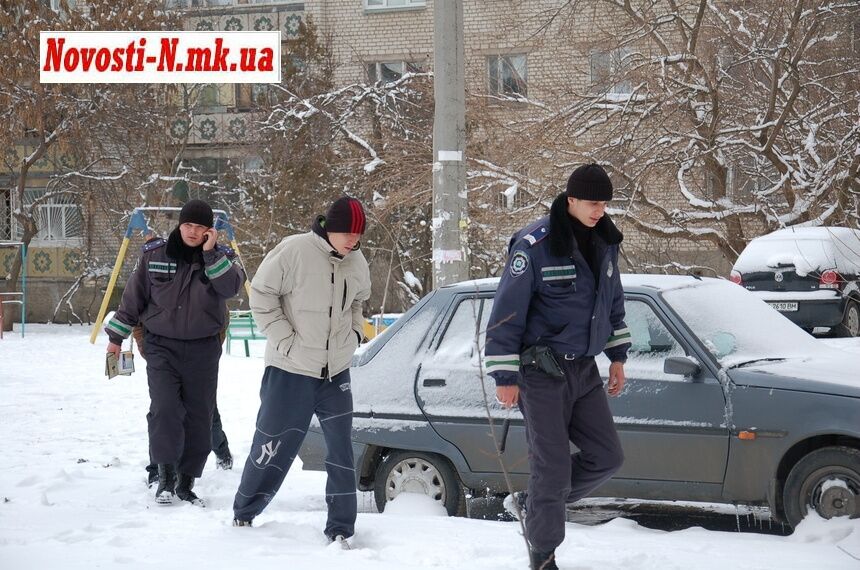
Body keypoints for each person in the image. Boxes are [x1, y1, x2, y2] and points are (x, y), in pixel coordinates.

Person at [484, 164, 631, 570]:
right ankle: (543, 555)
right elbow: (505, 314)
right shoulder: (535, 245)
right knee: (551, 470)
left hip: (584, 370)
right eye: (592, 203)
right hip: (541, 372)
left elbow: (612, 301)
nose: (599, 210)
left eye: (604, 203)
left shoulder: (605, 241)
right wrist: (505, 375)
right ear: (571, 200)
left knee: (607, 456)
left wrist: (617, 356)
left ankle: (537, 505)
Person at [232, 197, 371, 548]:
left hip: (335, 372)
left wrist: (353, 335)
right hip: (290, 369)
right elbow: (261, 296)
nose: (353, 241)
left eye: (358, 234)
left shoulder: (356, 261)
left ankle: (340, 528)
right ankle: (244, 510)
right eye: (348, 233)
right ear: (330, 228)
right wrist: (286, 342)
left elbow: (358, 303)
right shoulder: (294, 250)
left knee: (341, 450)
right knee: (272, 445)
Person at [105, 199, 246, 506]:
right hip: (161, 346)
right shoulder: (155, 254)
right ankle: (165, 478)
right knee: (165, 408)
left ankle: (186, 482)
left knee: (199, 415)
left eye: (199, 227)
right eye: (188, 225)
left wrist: (210, 254)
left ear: (209, 231)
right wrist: (116, 337)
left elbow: (231, 288)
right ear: (179, 225)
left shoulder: (221, 258)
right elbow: (133, 299)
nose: (193, 232)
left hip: (203, 348)